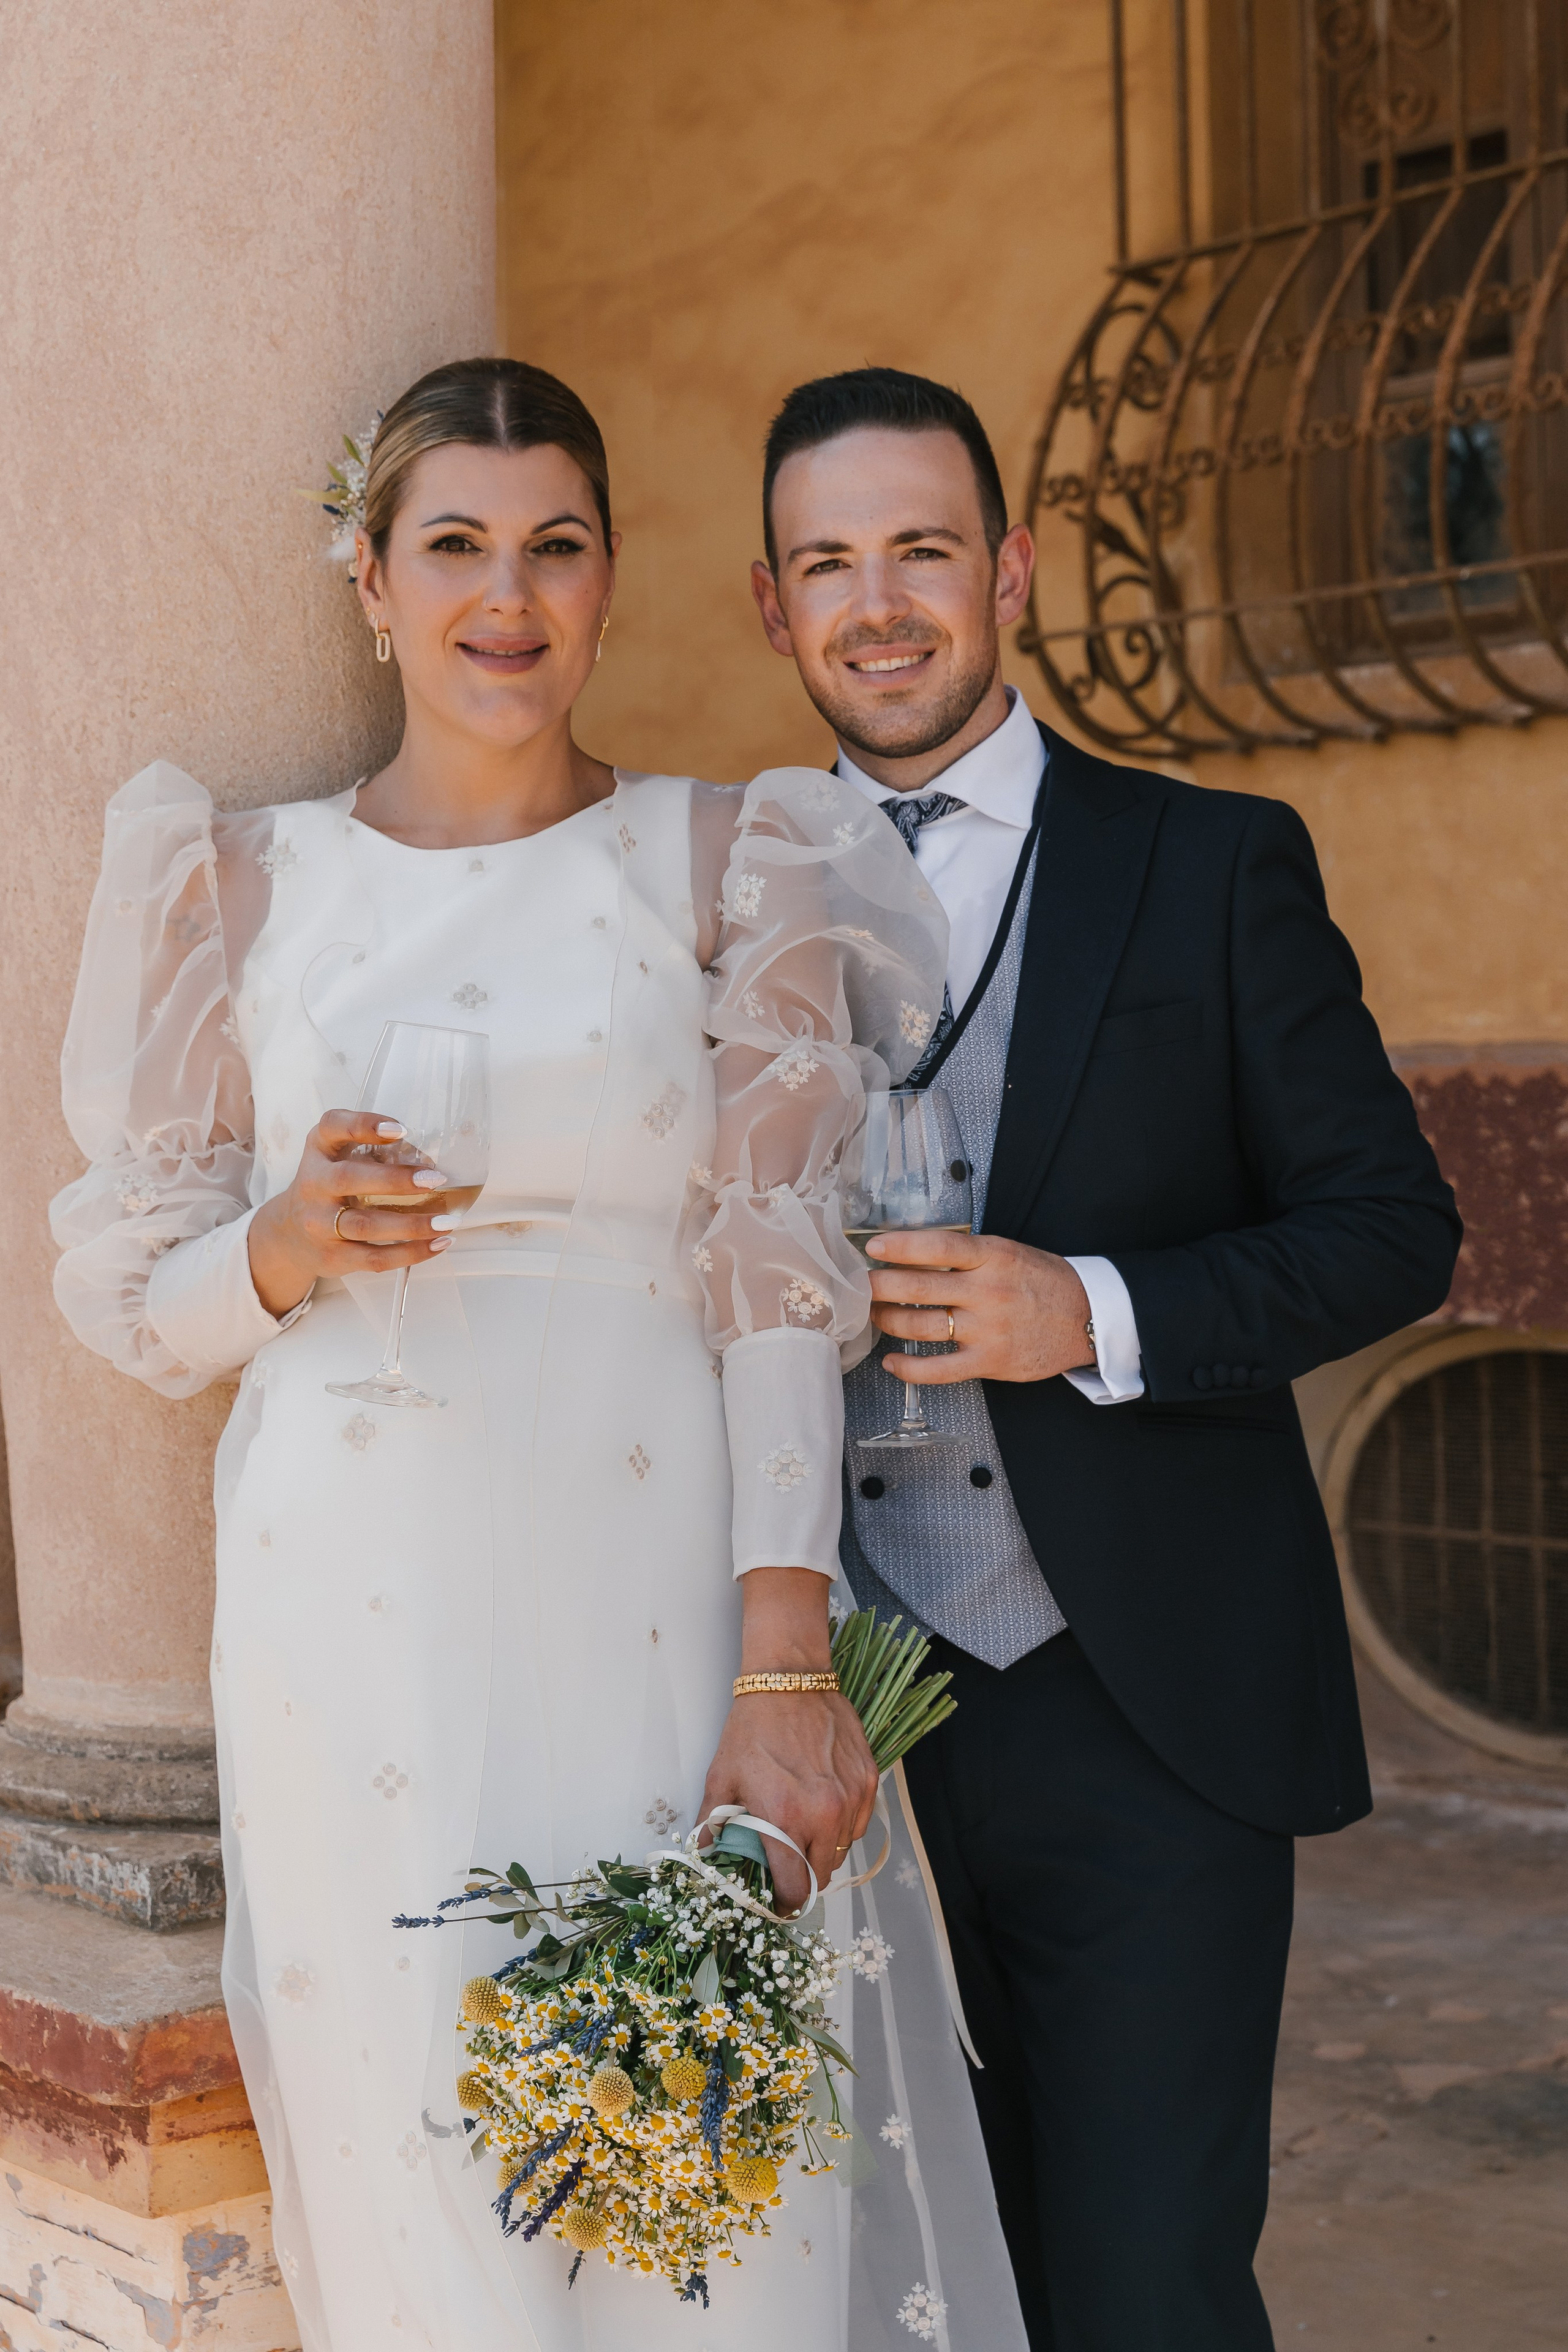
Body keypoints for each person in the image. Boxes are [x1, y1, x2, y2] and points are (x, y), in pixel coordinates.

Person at [50, 358, 1031, 2352]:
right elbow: (132, 1306)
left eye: (556, 547)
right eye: (456, 547)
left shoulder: (728, 863)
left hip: (654, 1608)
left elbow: (776, 1287)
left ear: (609, 582)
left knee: (701, 2181)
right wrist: (278, 1247)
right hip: (348, 1606)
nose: (509, 596)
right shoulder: (230, 884)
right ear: (371, 580)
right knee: (423, 2158)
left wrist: (784, 1660)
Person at [747, 365, 1463, 2351]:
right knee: (894, 2282)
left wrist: (1098, 1312)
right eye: (830, 563)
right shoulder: (724, 887)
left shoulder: (1212, 861)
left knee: (1144, 2288)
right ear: (769, 607)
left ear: (1015, 572)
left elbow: (1394, 1228)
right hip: (831, 1719)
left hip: (1134, 1699)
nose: (879, 603)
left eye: (922, 550)